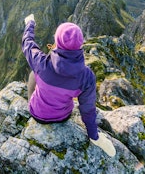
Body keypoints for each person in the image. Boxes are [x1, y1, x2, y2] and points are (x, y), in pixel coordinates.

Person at [21, 14, 116, 157]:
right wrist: (94, 136)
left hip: (37, 114)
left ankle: (31, 102)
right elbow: (88, 110)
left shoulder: (41, 62)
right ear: (80, 44)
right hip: (62, 116)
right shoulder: (87, 77)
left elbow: (27, 43)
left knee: (33, 74)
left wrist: (30, 23)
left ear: (57, 41)